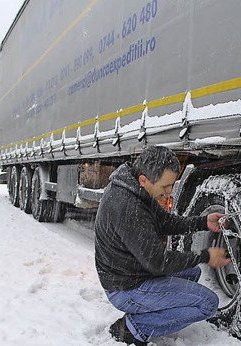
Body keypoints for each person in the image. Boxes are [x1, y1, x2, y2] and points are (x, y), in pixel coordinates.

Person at [94, 146, 232, 345]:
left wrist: (203, 222)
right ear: (144, 180)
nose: (169, 192)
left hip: (133, 273)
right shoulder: (128, 208)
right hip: (126, 288)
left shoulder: (135, 188)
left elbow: (166, 222)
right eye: (166, 186)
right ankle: (133, 327)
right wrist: (206, 256)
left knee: (192, 273)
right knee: (208, 304)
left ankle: (153, 312)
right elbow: (158, 263)